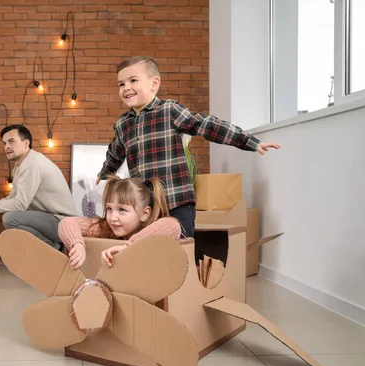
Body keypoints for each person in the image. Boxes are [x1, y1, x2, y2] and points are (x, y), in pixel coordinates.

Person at [96, 56, 281, 238]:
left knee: (181, 248)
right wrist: (104, 173)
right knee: (149, 251)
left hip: (176, 201)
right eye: (121, 84)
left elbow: (209, 125)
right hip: (145, 205)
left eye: (133, 80)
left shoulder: (169, 111)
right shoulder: (122, 124)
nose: (126, 87)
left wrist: (250, 141)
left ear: (154, 84)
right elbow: (115, 152)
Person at [0, 124, 78, 250]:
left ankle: (56, 249)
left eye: (11, 141)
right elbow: (12, 199)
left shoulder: (32, 163)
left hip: (64, 223)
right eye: (4, 143)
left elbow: (19, 205)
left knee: (10, 218)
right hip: (52, 219)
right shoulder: (21, 166)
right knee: (11, 216)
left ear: (26, 144)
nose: (7, 147)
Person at [58, 175, 181, 269]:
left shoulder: (152, 228)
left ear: (145, 214)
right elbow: (67, 222)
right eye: (109, 209)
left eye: (122, 210)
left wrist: (130, 246)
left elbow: (173, 226)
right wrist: (77, 244)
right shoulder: (106, 227)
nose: (112, 217)